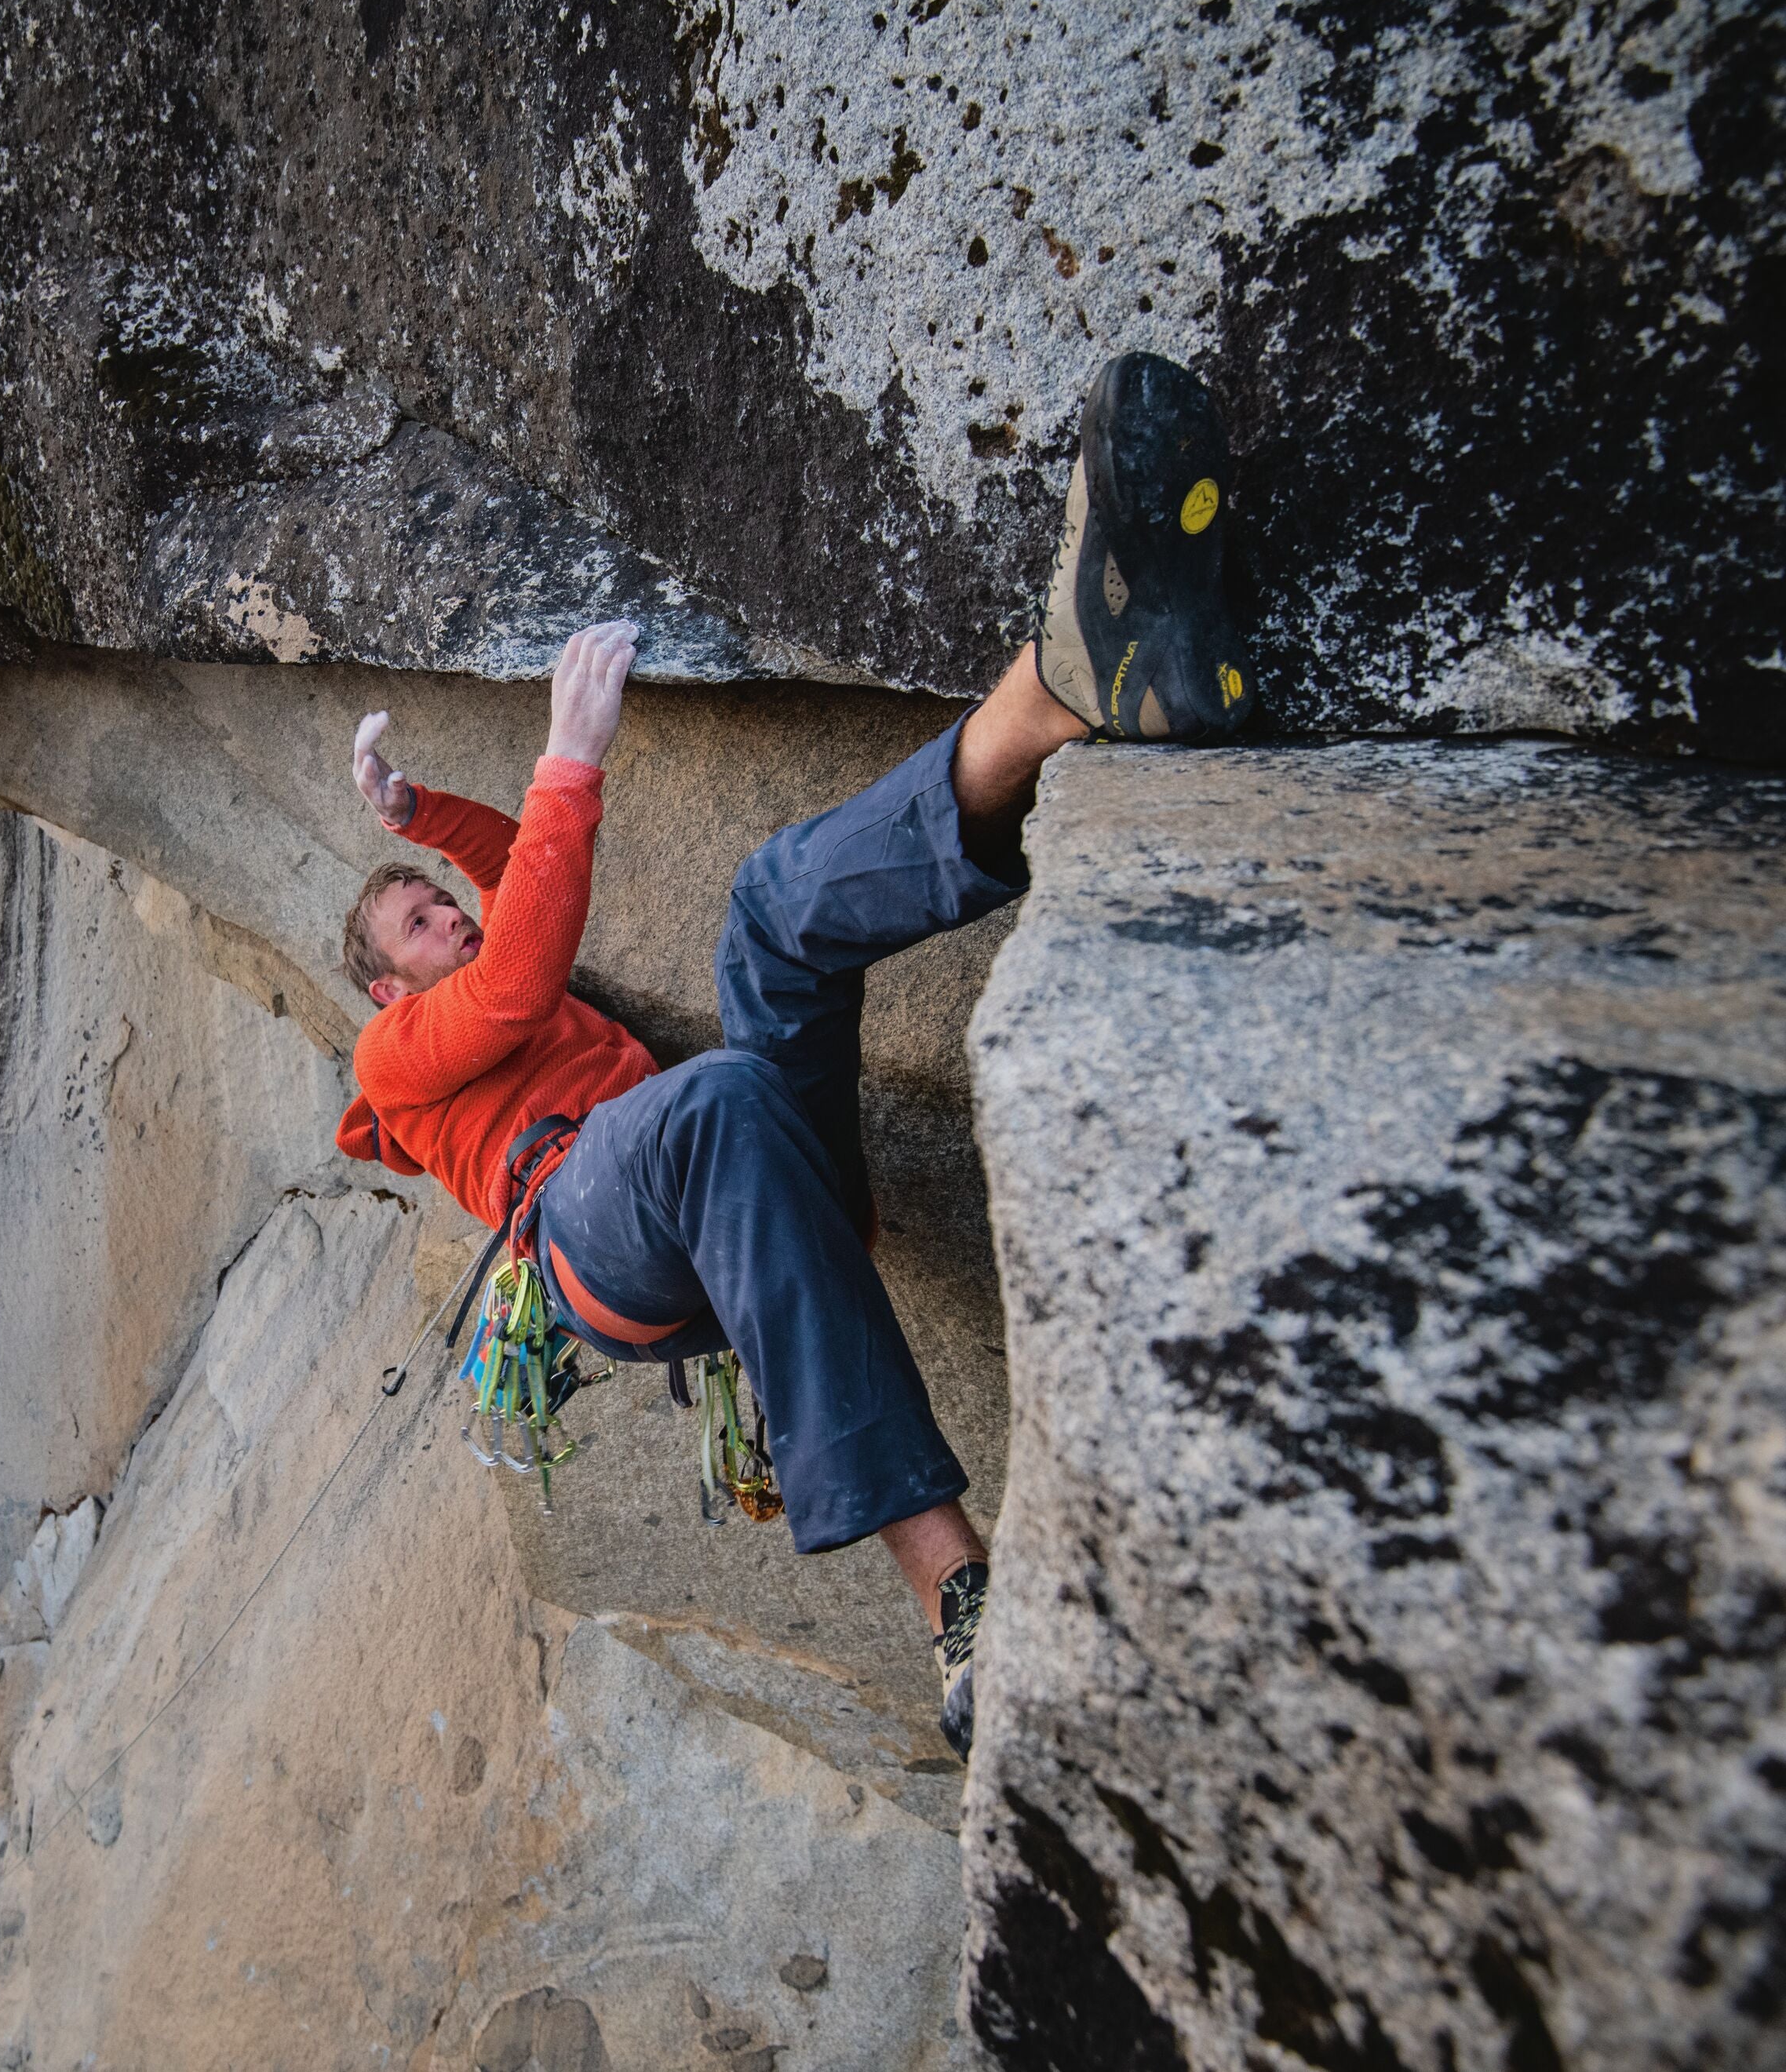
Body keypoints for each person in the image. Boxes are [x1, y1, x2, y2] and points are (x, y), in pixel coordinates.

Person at [332, 354, 1251, 1753]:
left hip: (737, 1168)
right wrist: (569, 753)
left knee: (770, 914)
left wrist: (428, 819)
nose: (447, 915)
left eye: (437, 899)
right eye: (417, 918)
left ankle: (1063, 692)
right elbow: (516, 978)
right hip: (599, 1242)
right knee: (705, 1102)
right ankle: (961, 1603)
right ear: (381, 987)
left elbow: (518, 890)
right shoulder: (397, 1065)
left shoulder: (463, 965)